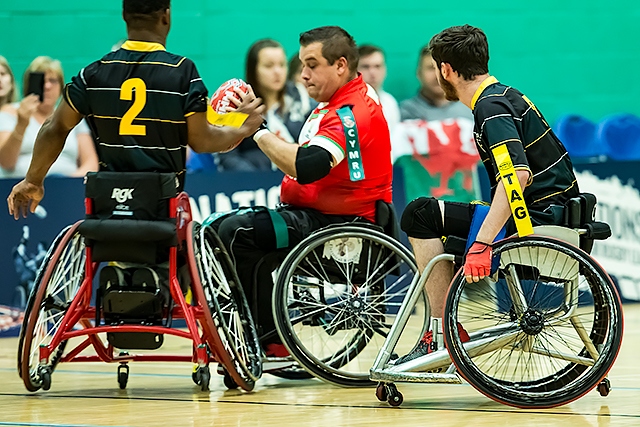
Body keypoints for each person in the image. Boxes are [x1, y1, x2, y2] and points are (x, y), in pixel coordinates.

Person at [395, 24, 580, 363]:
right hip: (554, 213)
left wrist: (483, 243)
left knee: (418, 214)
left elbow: (518, 177)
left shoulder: (490, 108)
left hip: (537, 222)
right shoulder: (506, 95)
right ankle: (445, 327)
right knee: (445, 235)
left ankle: (440, 334)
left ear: (446, 70)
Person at [213, 25, 392, 355]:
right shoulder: (339, 100)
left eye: (312, 65)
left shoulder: (351, 112)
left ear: (340, 65)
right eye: (302, 64)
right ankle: (248, 333)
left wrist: (258, 131)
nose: (303, 74)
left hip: (342, 230)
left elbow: (309, 165)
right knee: (215, 229)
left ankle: (263, 339)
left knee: (237, 233)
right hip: (318, 218)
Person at [7, 0, 264, 220]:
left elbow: (55, 127)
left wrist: (33, 180)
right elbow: (202, 140)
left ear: (124, 16)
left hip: (108, 202)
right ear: (166, 16)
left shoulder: (93, 73)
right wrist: (242, 128)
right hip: (161, 202)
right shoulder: (182, 72)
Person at [217, 39, 316, 172]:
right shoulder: (238, 102)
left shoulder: (302, 98)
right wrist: (258, 181)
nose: (277, 72)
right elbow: (227, 156)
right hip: (251, 184)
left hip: (297, 178)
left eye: (281, 65)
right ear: (253, 70)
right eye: (269, 66)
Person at [0, 56, 98, 178]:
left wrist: (67, 183)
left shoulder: (72, 114)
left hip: (67, 185)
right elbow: (6, 163)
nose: (47, 86)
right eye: (41, 81)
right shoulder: (10, 112)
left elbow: (91, 163)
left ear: (61, 86)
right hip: (19, 185)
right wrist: (22, 123)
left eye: (52, 80)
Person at [399, 45, 471, 122]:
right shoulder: (406, 111)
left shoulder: (470, 109)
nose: (438, 75)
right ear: (419, 73)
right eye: (431, 68)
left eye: (444, 68)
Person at [357, 44, 400, 132]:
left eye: (377, 66)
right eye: (366, 67)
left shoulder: (390, 102)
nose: (372, 72)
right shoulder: (346, 105)